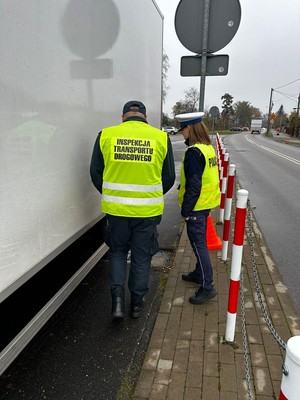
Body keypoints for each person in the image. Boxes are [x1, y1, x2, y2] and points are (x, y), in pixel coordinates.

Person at [90, 100, 175, 320]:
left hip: (116, 212)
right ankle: (136, 304)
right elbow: (168, 178)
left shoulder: (106, 135)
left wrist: (112, 194)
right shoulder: (161, 138)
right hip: (147, 213)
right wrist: (150, 195)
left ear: (123, 117)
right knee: (141, 257)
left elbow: (95, 172)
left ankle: (117, 303)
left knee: (117, 253)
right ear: (145, 118)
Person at [175, 111, 220, 305]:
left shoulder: (194, 152)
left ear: (190, 128)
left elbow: (194, 184)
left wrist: (186, 211)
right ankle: (198, 273)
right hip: (206, 203)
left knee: (199, 244)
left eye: (183, 130)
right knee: (197, 243)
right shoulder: (208, 148)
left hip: (196, 206)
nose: (182, 134)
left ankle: (207, 286)